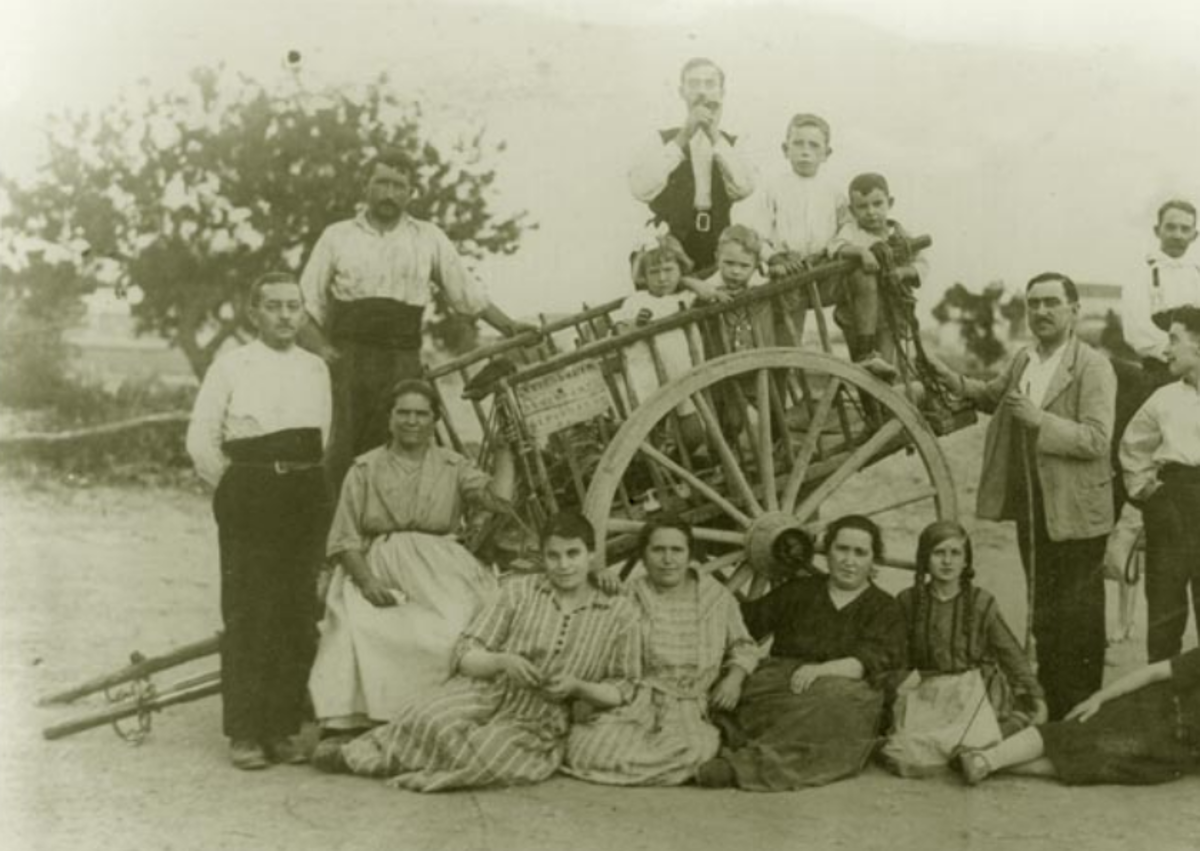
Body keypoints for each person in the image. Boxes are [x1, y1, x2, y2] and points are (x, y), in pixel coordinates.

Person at [314, 513, 642, 791]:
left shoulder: (617, 611)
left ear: (592, 555)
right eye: (553, 556)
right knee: (430, 717)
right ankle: (359, 752)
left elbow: (623, 688)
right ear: (542, 556)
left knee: (489, 753)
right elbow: (466, 652)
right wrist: (503, 661)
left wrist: (578, 688)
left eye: (573, 554)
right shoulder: (520, 592)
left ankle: (374, 761)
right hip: (490, 690)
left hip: (542, 715)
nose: (564, 565)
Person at [927, 271, 1117, 721]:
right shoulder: (1025, 360)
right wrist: (946, 375)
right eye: (1033, 304)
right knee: (1044, 606)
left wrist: (1039, 421)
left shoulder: (1092, 366)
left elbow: (1096, 440)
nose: (1041, 312)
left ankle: (1080, 708)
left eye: (1052, 303)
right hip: (1033, 507)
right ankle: (1049, 702)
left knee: (1080, 614)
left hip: (1075, 509)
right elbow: (991, 397)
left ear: (1074, 311)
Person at [298, 147, 530, 486]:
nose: (389, 193)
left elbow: (466, 294)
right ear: (366, 186)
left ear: (411, 193)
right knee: (340, 457)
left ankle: (394, 536)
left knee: (402, 450)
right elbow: (306, 304)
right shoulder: (338, 236)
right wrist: (325, 353)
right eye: (381, 183)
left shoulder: (428, 238)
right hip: (347, 367)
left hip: (402, 363)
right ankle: (336, 536)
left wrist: (509, 325)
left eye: (399, 186)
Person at [307, 380, 514, 756]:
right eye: (403, 413)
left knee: (454, 627)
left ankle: (440, 717)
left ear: (434, 419)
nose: (412, 422)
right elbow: (344, 539)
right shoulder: (364, 469)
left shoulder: (453, 465)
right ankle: (357, 721)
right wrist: (366, 581)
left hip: (442, 567)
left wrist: (504, 453)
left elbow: (498, 500)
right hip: (379, 563)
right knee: (358, 622)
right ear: (389, 419)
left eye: (421, 414)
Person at [185, 271, 331, 770]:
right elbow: (201, 440)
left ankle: (284, 727)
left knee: (295, 608)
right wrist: (235, 490)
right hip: (249, 489)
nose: (286, 315)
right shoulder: (231, 366)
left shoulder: (316, 369)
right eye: (274, 306)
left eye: (294, 306)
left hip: (304, 491)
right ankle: (246, 731)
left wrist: (303, 486)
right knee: (248, 609)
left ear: (304, 312)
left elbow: (324, 438)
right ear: (254, 313)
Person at [696, 515, 907, 790]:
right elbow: (743, 624)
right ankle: (724, 745)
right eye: (841, 549)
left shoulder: (884, 607)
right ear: (827, 552)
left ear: (873, 560)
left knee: (839, 701)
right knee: (735, 689)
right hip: (783, 683)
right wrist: (698, 589)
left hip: (841, 690)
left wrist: (819, 671)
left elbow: (867, 662)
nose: (849, 560)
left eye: (860, 552)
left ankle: (747, 767)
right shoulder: (799, 591)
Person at [563, 518, 759, 786]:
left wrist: (734, 679)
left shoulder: (716, 598)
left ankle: (661, 765)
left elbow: (744, 646)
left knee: (695, 749)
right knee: (585, 748)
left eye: (677, 550)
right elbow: (591, 632)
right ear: (643, 556)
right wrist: (595, 581)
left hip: (687, 705)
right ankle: (667, 770)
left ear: (690, 554)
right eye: (658, 550)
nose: (668, 560)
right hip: (638, 700)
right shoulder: (630, 595)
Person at [953, 648, 1200, 787]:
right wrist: (1099, 698)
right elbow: (1154, 673)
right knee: (1076, 732)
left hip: (1171, 749)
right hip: (1149, 708)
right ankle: (987, 759)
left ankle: (984, 760)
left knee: (1100, 766)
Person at [895, 521, 1046, 743]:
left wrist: (1037, 698)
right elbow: (895, 652)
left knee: (966, 741)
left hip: (973, 691)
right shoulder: (908, 601)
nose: (947, 561)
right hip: (927, 690)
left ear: (966, 561)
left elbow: (1010, 653)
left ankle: (1010, 724)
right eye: (939, 553)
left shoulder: (980, 603)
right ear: (925, 559)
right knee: (912, 746)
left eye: (955, 553)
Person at [1119, 305, 1200, 662]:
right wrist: (1147, 492)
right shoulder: (1163, 399)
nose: (1166, 350)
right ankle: (1164, 712)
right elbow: (1133, 445)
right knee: (1164, 614)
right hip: (1172, 506)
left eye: (1174, 340)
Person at [629, 58, 755, 274]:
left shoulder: (733, 143)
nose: (702, 92)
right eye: (694, 84)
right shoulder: (661, 139)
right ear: (681, 92)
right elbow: (640, 189)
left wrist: (714, 135)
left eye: (709, 84)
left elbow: (743, 188)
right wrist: (685, 134)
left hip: (719, 242)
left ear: (722, 92)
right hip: (671, 243)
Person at [828, 172, 929, 380]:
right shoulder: (852, 230)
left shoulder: (899, 234)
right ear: (852, 210)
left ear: (889, 203)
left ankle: (883, 410)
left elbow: (922, 264)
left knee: (884, 366)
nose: (871, 212)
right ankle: (870, 404)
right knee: (862, 369)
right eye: (862, 207)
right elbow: (836, 246)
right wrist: (861, 252)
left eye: (877, 204)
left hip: (890, 311)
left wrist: (902, 272)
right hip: (857, 313)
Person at [733, 113, 849, 277]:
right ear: (786, 150)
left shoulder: (835, 192)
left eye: (814, 145)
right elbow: (757, 234)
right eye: (798, 144)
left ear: (826, 153)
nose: (805, 152)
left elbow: (846, 230)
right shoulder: (772, 188)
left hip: (825, 267)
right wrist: (774, 257)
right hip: (786, 267)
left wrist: (834, 252)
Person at [613, 235, 700, 433]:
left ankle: (686, 455)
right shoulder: (636, 301)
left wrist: (686, 280)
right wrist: (636, 324)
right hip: (649, 374)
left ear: (681, 269)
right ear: (643, 275)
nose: (662, 278)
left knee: (692, 429)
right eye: (654, 272)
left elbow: (708, 293)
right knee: (653, 424)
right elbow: (620, 329)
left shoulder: (685, 296)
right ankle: (663, 449)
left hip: (683, 371)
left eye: (669, 270)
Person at [1121, 199, 1200, 388]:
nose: (1177, 235)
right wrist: (1178, 353)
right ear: (1157, 231)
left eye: (1185, 229)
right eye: (1171, 227)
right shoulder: (1140, 274)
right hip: (1160, 371)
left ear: (1195, 235)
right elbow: (1137, 330)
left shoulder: (1197, 273)